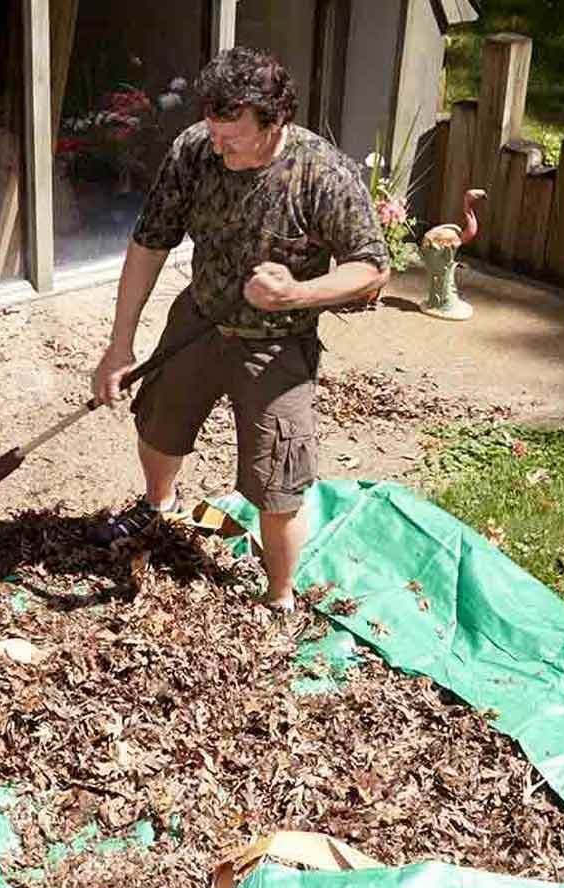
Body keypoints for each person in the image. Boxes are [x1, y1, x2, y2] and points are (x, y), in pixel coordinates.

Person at [88, 46, 389, 611]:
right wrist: (119, 344)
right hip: (199, 320)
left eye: (233, 137)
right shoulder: (195, 152)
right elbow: (151, 242)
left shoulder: (322, 174)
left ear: (276, 122)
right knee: (157, 424)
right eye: (213, 132)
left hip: (277, 344)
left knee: (277, 486)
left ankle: (279, 600)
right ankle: (157, 507)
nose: (218, 147)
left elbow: (371, 268)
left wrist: (298, 292)